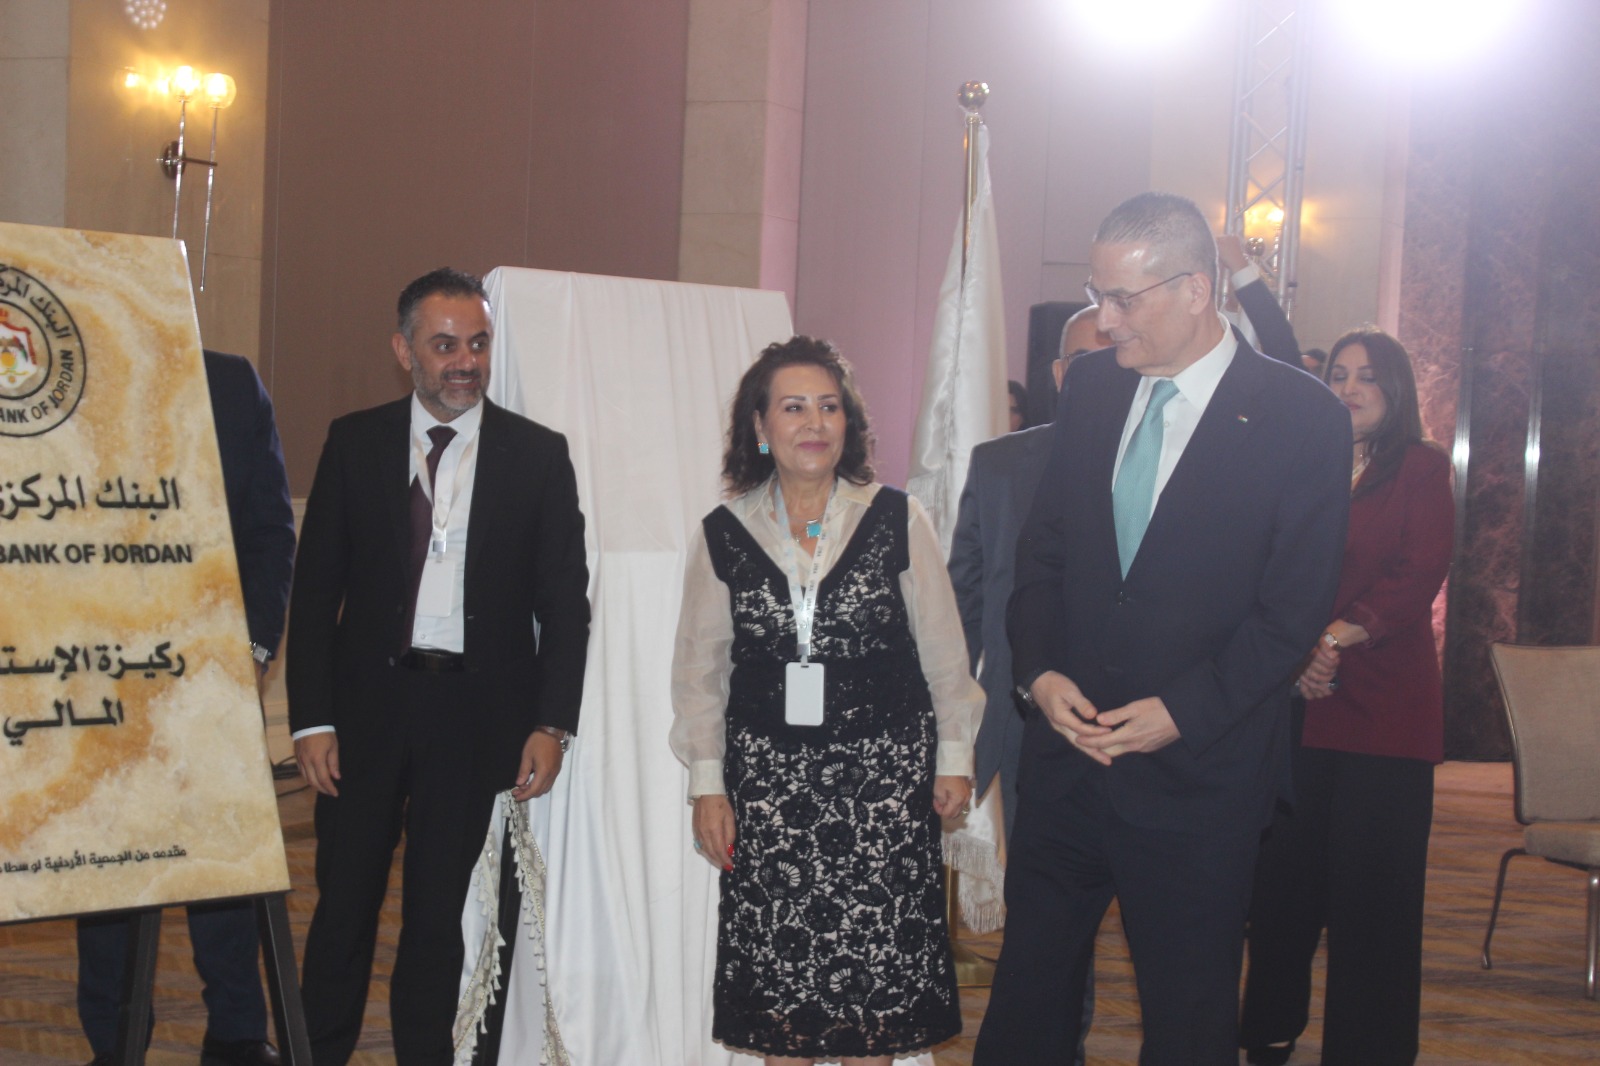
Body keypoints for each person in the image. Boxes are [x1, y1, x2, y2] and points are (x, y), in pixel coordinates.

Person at [973, 192, 1351, 1065]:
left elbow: (1291, 611)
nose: (1103, 322)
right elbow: (1044, 557)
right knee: (1026, 1009)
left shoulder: (1303, 418)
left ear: (1196, 289)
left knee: (1187, 1022)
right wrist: (1039, 674)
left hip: (1199, 780)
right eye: (1097, 295)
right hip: (1067, 767)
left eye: (1122, 299)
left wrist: (1182, 711)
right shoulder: (1095, 388)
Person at [287, 268, 590, 1065]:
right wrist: (311, 718)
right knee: (342, 910)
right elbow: (315, 594)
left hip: (477, 718)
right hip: (366, 715)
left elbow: (566, 606)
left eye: (478, 344)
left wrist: (552, 722)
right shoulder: (354, 442)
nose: (465, 362)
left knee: (441, 920)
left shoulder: (537, 455)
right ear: (404, 350)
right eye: (446, 344)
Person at [670, 335, 982, 1066]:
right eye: (793, 407)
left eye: (829, 406)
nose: (814, 422)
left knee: (872, 996)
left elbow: (944, 653)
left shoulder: (900, 519)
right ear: (759, 426)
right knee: (784, 995)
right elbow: (700, 673)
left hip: (882, 790)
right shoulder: (723, 533)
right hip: (771, 795)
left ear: (849, 422)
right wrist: (708, 786)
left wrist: (954, 758)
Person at [1239, 327, 1453, 1066]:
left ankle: (1369, 1051)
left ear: (1396, 390)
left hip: (1387, 713)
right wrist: (1299, 654)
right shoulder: (1304, 462)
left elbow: (1416, 572)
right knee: (1282, 888)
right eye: (1339, 375)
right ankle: (1268, 1030)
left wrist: (1330, 640)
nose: (1352, 388)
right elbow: (1268, 567)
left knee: (1375, 899)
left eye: (1368, 376)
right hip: (1297, 704)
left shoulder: (1421, 467)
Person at [75, 350, 295, 1066]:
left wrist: (254, 648)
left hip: (210, 672)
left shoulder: (231, 384)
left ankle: (236, 1033)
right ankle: (113, 1042)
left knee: (220, 861)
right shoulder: (74, 379)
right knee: (108, 867)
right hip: (97, 674)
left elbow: (269, 530)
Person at [951, 307, 1109, 843]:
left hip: (1134, 725)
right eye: (1084, 361)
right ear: (1060, 374)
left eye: (1115, 357)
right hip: (1025, 718)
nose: (1101, 374)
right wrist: (951, 729)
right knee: (1034, 885)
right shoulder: (998, 466)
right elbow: (963, 606)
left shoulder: (1174, 468)